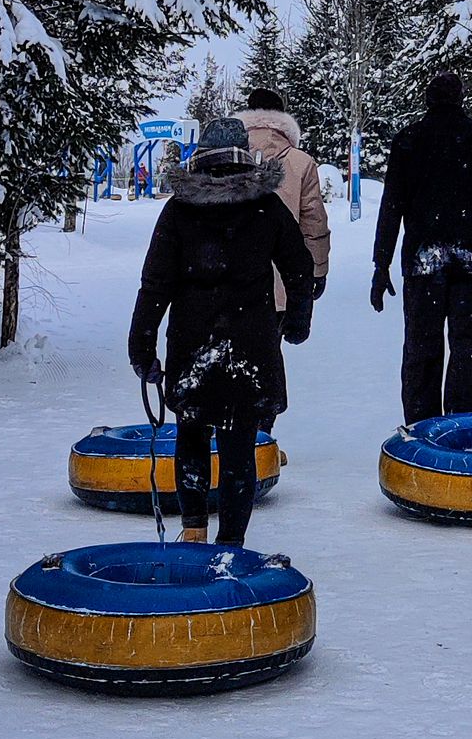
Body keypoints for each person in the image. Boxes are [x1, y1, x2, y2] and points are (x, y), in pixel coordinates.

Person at [127, 117, 316, 547]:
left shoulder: (179, 209)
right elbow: (299, 266)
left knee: (191, 435)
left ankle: (193, 527)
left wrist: (142, 343)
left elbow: (155, 281)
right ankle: (231, 542)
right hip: (251, 342)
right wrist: (298, 318)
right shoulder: (266, 206)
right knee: (238, 447)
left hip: (193, 342)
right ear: (245, 155)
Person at [371, 70, 472, 421]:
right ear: (461, 98)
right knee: (470, 347)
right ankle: (465, 427)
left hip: (423, 262)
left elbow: (392, 206)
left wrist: (381, 264)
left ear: (428, 100)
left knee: (422, 349)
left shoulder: (408, 141)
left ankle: (422, 428)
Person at [237, 88, 331, 316]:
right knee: (269, 344)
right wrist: (317, 270)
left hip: (229, 278)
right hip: (282, 277)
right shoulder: (301, 162)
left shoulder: (228, 157)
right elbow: (313, 222)